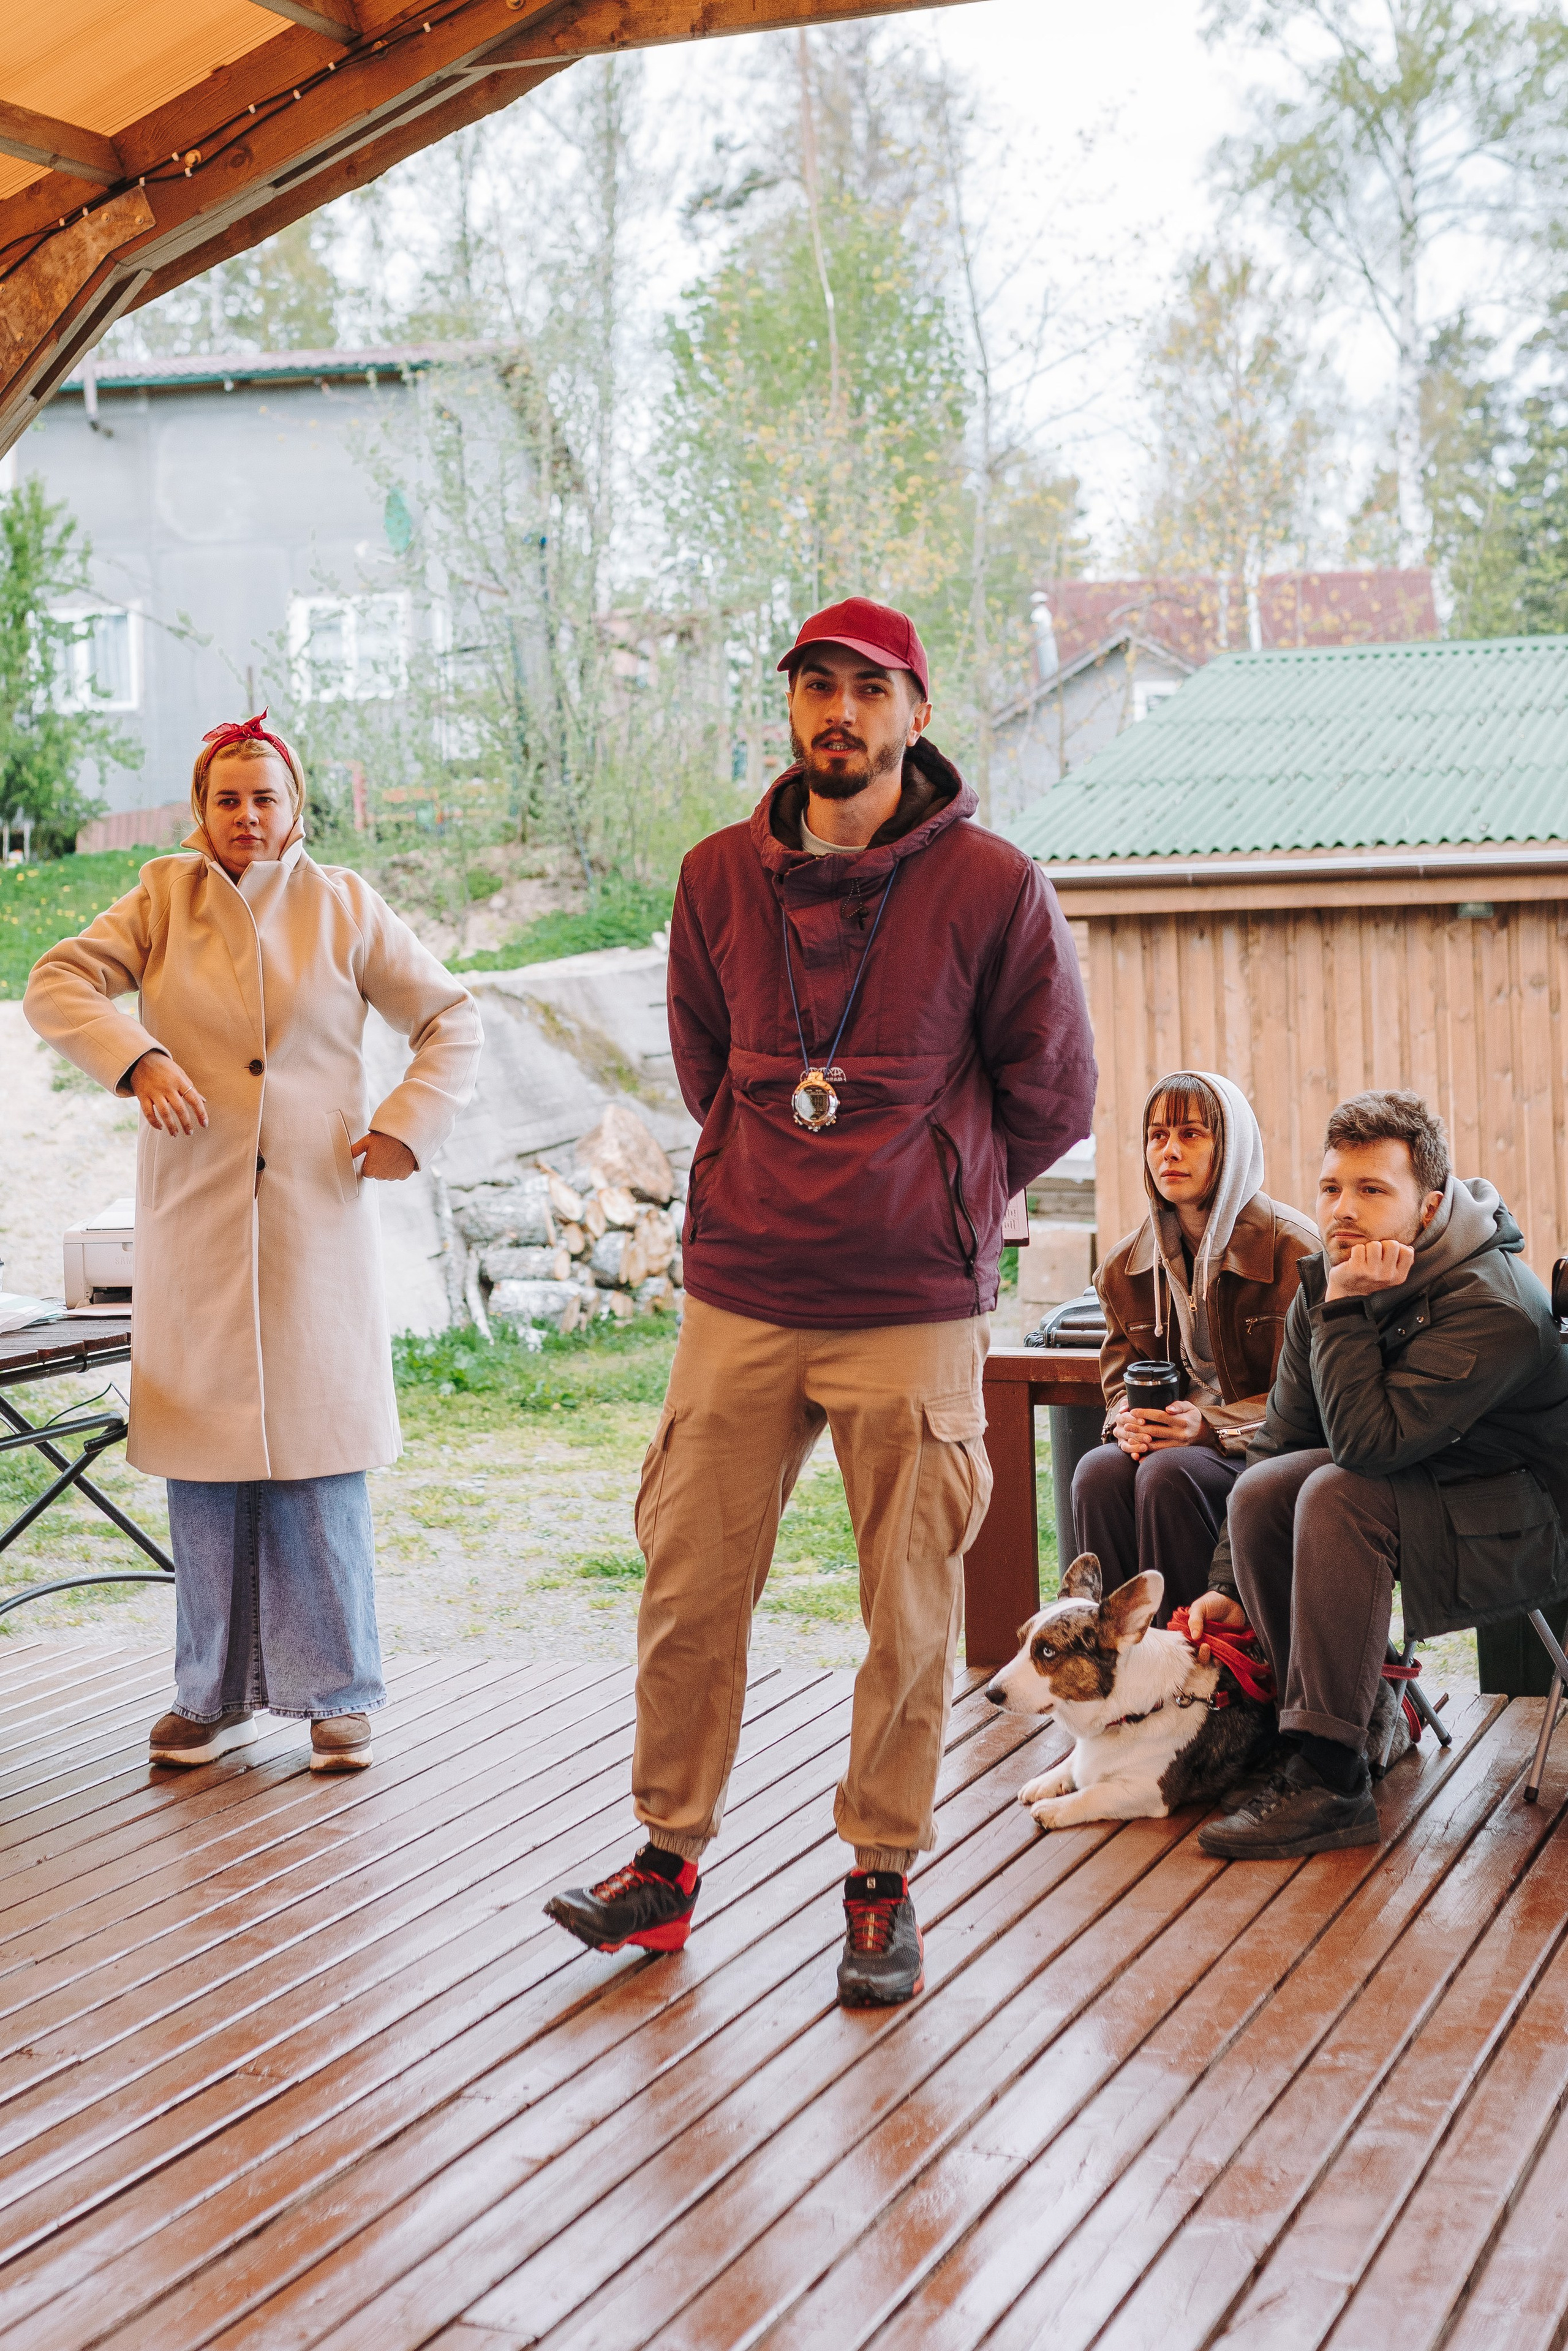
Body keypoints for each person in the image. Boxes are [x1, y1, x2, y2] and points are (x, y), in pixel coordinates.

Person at [545, 595, 1096, 2004]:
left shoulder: (991, 884)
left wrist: (941, 1191)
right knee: (684, 1587)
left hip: (909, 1299)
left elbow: (1050, 1092)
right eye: (814, 688)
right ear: (787, 709)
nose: (837, 714)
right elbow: (701, 1056)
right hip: (741, 1289)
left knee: (908, 1615)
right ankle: (663, 1870)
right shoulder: (714, 876)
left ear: (915, 712)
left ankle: (878, 1879)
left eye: (867, 689)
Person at [25, 714, 481, 1772]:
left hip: (315, 1217)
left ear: (297, 806)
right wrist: (135, 1058)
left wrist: (407, 1126)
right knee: (205, 1462)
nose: (246, 817)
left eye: (264, 797)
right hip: (195, 1216)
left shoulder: (345, 904)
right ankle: (208, 1694)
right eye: (226, 799)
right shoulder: (160, 897)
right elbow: (57, 982)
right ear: (201, 811)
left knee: (320, 1463)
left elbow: (451, 1017)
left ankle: (339, 1693)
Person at [1188, 1089, 1568, 1860]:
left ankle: (1331, 1781)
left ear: (1427, 1207)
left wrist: (1345, 1310)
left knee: (1337, 1493)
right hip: (1425, 1485)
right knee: (1268, 1487)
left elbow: (1365, 1445)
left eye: (1371, 1190)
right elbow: (1281, 1439)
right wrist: (1228, 1586)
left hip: (1525, 1522)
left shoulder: (1494, 1304)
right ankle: (1340, 1733)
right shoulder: (1333, 1278)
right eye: (1330, 1187)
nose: (1341, 1210)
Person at [1073, 1071, 1317, 1623]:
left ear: (1229, 1148)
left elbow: (1311, 1403)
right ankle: (1113, 1667)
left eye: (1191, 1134)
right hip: (1179, 1445)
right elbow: (1120, 1379)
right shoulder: (1124, 1266)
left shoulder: (1295, 1254)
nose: (1171, 1151)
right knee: (1098, 1472)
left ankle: (1195, 1666)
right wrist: (1128, 1422)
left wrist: (1209, 1427)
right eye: (1157, 1136)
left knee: (1169, 1474)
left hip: (1269, 1452)